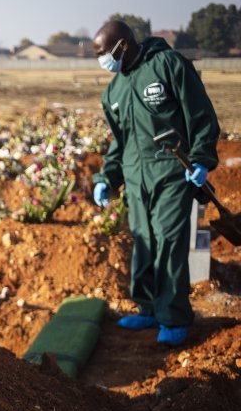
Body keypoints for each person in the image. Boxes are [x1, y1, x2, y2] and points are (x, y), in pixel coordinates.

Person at [91, 20, 219, 346]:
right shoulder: (114, 91)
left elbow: (200, 114)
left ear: (122, 46)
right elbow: (119, 143)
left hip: (173, 172)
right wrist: (107, 177)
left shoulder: (168, 65)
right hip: (136, 177)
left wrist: (202, 158)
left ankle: (174, 318)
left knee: (169, 241)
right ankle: (148, 306)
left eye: (103, 53)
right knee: (144, 240)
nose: (102, 61)